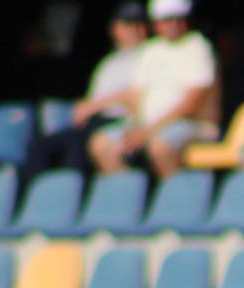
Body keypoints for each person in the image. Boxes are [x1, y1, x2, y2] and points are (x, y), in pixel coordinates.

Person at [20, 3, 149, 185]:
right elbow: (92, 98)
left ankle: (69, 201)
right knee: (41, 145)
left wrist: (92, 107)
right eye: (128, 24)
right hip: (95, 120)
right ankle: (28, 199)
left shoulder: (150, 56)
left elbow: (133, 94)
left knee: (78, 147)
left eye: (140, 25)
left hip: (119, 121)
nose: (135, 30)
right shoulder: (108, 63)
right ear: (115, 28)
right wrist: (83, 108)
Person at [88, 0, 219, 179]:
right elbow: (136, 95)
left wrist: (147, 131)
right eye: (167, 20)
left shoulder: (197, 46)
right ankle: (129, 197)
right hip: (149, 126)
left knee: (160, 146)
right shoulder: (150, 51)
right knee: (101, 144)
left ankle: (176, 200)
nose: (174, 25)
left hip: (190, 125)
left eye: (179, 19)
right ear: (156, 23)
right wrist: (134, 127)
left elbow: (191, 104)